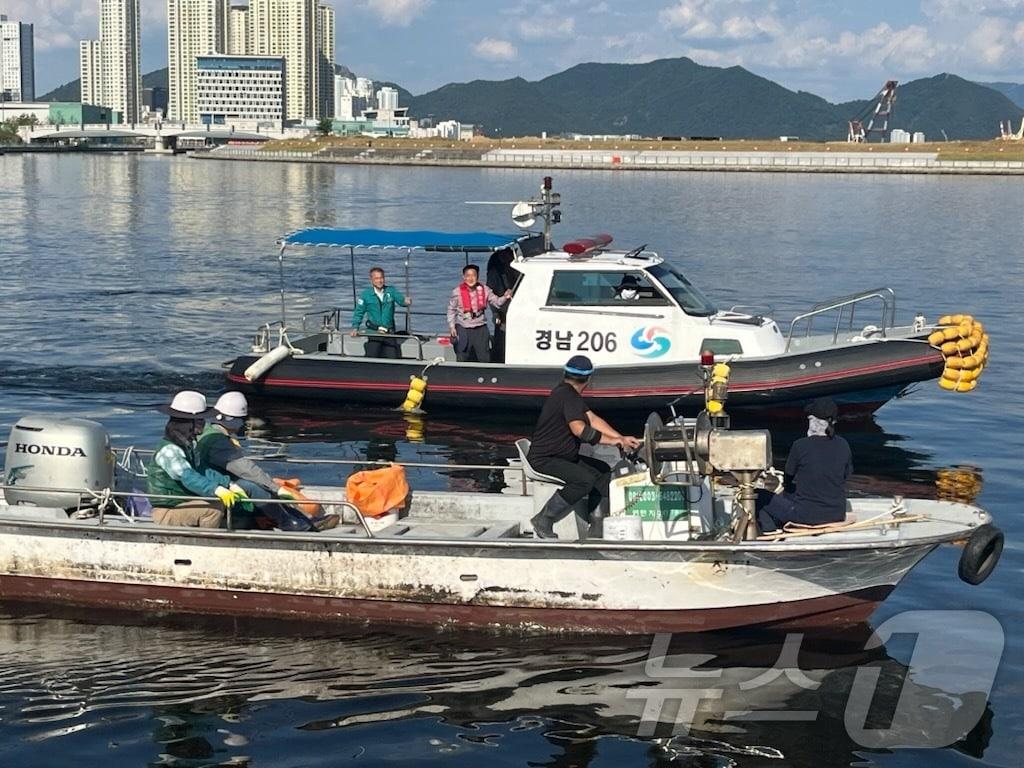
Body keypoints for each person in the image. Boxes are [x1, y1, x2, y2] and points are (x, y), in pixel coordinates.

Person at [527, 356, 643, 539]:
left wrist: (620, 437)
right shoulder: (567, 395)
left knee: (603, 470)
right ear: (589, 379)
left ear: (565, 373)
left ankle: (597, 524)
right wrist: (613, 442)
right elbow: (579, 429)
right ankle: (544, 519)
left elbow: (593, 420)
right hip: (545, 459)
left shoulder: (567, 394)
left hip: (562, 456)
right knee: (584, 480)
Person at [195, 392, 340, 531]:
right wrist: (275, 487)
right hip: (216, 482)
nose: (243, 423)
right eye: (241, 419)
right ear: (229, 419)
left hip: (218, 478)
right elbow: (245, 468)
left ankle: (302, 518)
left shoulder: (211, 432)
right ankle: (289, 522)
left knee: (260, 484)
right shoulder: (218, 442)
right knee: (253, 486)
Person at [146, 390, 243, 528]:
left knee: (221, 503)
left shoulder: (188, 445)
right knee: (212, 509)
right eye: (199, 421)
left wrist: (228, 484)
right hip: (167, 510)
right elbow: (187, 476)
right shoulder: (170, 451)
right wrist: (216, 490)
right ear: (185, 424)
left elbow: (201, 470)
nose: (203, 425)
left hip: (182, 503)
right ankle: (207, 543)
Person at [757, 397, 853, 533]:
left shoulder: (800, 445)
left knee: (758, 496)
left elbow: (788, 480)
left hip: (806, 516)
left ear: (813, 422)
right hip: (836, 514)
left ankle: (769, 532)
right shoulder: (844, 445)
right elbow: (845, 476)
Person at [446, 263, 511, 362]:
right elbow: (451, 310)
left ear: (478, 276)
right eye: (468, 276)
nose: (471, 278)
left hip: (480, 327)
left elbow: (497, 302)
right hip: (464, 327)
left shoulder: (485, 289)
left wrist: (505, 297)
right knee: (462, 355)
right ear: (464, 277)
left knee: (484, 356)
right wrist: (452, 326)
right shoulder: (457, 292)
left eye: (474, 275)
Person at [350, 266, 411, 359]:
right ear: (371, 280)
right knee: (372, 355)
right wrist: (355, 327)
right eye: (377, 278)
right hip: (374, 332)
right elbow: (359, 312)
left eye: (381, 278)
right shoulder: (365, 295)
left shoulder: (391, 291)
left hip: (389, 332)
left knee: (393, 358)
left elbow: (402, 301)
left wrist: (406, 301)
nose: (380, 281)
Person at [486, 248, 517, 362]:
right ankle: (498, 360)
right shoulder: (495, 270)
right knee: (501, 336)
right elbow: (492, 291)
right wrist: (495, 312)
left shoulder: (513, 265)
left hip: (512, 304)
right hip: (502, 307)